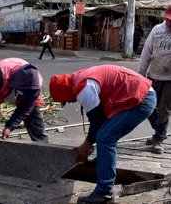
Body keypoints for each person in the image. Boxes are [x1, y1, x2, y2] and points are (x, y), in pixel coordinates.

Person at [49, 65, 156, 204]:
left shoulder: (83, 88)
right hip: (142, 94)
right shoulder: (78, 78)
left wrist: (86, 145)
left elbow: (97, 121)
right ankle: (103, 163)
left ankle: (104, 192)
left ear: (66, 93)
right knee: (105, 133)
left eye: (66, 100)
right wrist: (89, 142)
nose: (69, 102)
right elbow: (100, 117)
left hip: (141, 99)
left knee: (105, 138)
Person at [0, 58, 48, 143]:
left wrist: (10, 127)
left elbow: (25, 108)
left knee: (33, 112)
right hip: (1, 85)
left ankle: (43, 146)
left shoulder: (35, 85)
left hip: (23, 86)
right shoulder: (0, 75)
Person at [139, 6, 171, 154]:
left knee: (164, 110)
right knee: (148, 107)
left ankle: (158, 139)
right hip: (153, 76)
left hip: (169, 80)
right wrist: (141, 74)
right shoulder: (157, 30)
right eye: (169, 20)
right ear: (166, 18)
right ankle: (158, 132)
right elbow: (146, 52)